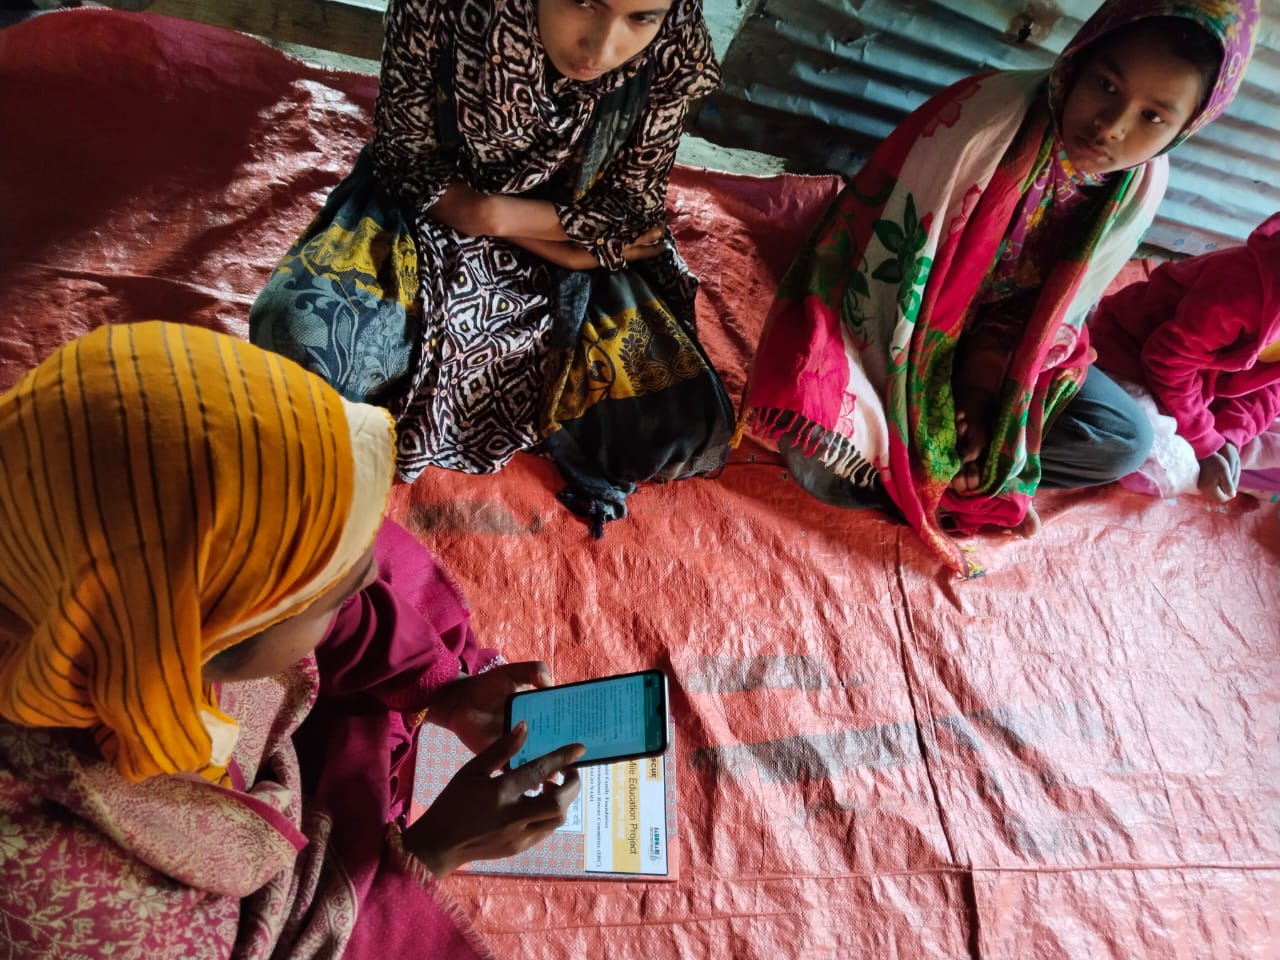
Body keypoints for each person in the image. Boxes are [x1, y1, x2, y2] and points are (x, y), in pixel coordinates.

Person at [0, 322, 583, 959]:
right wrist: (433, 850)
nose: (360, 596)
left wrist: (443, 693)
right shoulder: (95, 906)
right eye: (335, 596)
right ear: (207, 634)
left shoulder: (50, 525)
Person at [739, 0, 1258, 576]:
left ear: (1189, 125)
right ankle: (950, 480)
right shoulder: (985, 119)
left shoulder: (1137, 189)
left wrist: (985, 399)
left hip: (1005, 348)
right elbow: (893, 277)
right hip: (899, 324)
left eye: (1154, 117)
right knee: (816, 451)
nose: (1113, 125)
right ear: (1079, 59)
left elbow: (1051, 321)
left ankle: (937, 471)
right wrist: (949, 399)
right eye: (1107, 85)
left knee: (1122, 440)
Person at [250, 0, 732, 535]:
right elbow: (405, 156)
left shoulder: (673, 47)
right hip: (423, 212)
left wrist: (501, 219)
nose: (602, 49)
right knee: (306, 340)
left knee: (678, 429)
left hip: (566, 242)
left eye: (641, 17)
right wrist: (490, 216)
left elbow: (629, 213)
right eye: (583, 2)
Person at [1090, 212, 1280, 502]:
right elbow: (1166, 361)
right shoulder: (1246, 289)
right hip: (1127, 357)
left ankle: (1220, 463)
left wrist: (1230, 437)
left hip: (1200, 389)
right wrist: (1205, 443)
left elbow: (1269, 391)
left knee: (1263, 437)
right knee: (1157, 464)